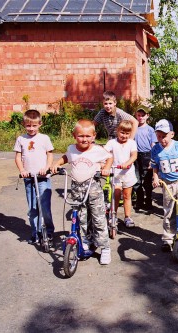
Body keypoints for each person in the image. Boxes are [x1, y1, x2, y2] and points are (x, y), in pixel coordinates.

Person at [51, 119, 113, 265]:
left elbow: (109, 157)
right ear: (74, 135)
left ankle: (105, 248)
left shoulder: (97, 150)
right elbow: (66, 157)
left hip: (93, 188)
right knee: (81, 217)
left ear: (93, 136)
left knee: (98, 218)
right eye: (81, 136)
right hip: (76, 188)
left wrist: (106, 168)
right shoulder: (72, 149)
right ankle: (86, 241)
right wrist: (57, 163)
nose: (84, 139)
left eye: (87, 136)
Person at [151, 119, 178, 250]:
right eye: (158, 136)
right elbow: (155, 167)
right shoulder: (156, 149)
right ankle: (168, 238)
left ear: (171, 134)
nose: (161, 139)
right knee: (168, 211)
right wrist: (155, 178)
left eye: (164, 136)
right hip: (167, 183)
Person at [14, 109, 55, 245]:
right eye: (28, 125)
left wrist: (47, 168)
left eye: (34, 125)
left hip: (42, 177)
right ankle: (35, 233)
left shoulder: (44, 138)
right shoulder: (21, 139)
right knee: (32, 209)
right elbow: (18, 157)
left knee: (44, 207)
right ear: (24, 124)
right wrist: (22, 170)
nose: (31, 128)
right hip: (29, 178)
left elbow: (49, 154)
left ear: (40, 124)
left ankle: (48, 231)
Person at [104, 120, 138, 228]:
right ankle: (113, 215)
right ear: (117, 131)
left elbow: (134, 156)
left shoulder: (131, 143)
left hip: (128, 173)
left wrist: (127, 163)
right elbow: (104, 153)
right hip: (115, 173)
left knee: (127, 195)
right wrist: (103, 165)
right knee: (116, 194)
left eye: (127, 133)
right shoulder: (112, 143)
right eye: (122, 133)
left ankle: (127, 217)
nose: (124, 136)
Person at [133, 105, 155, 211]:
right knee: (136, 180)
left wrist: (153, 159)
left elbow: (153, 145)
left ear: (147, 116)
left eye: (143, 115)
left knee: (147, 181)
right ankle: (139, 200)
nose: (140, 117)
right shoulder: (133, 128)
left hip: (147, 155)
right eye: (138, 115)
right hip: (135, 155)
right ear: (136, 116)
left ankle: (148, 201)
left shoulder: (150, 130)